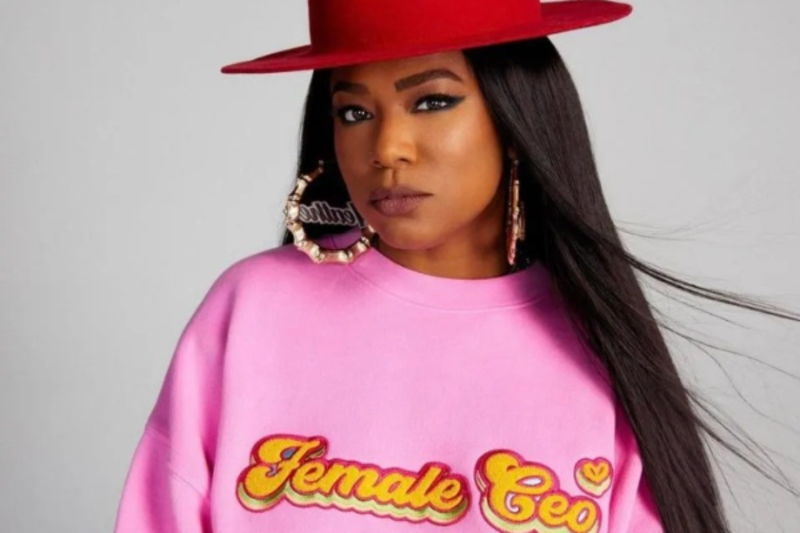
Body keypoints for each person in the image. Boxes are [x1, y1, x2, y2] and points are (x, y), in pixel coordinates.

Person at [113, 1, 798, 531]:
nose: (388, 147)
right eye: (354, 111)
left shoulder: (598, 348)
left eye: (432, 102)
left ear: (517, 115)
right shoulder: (253, 310)